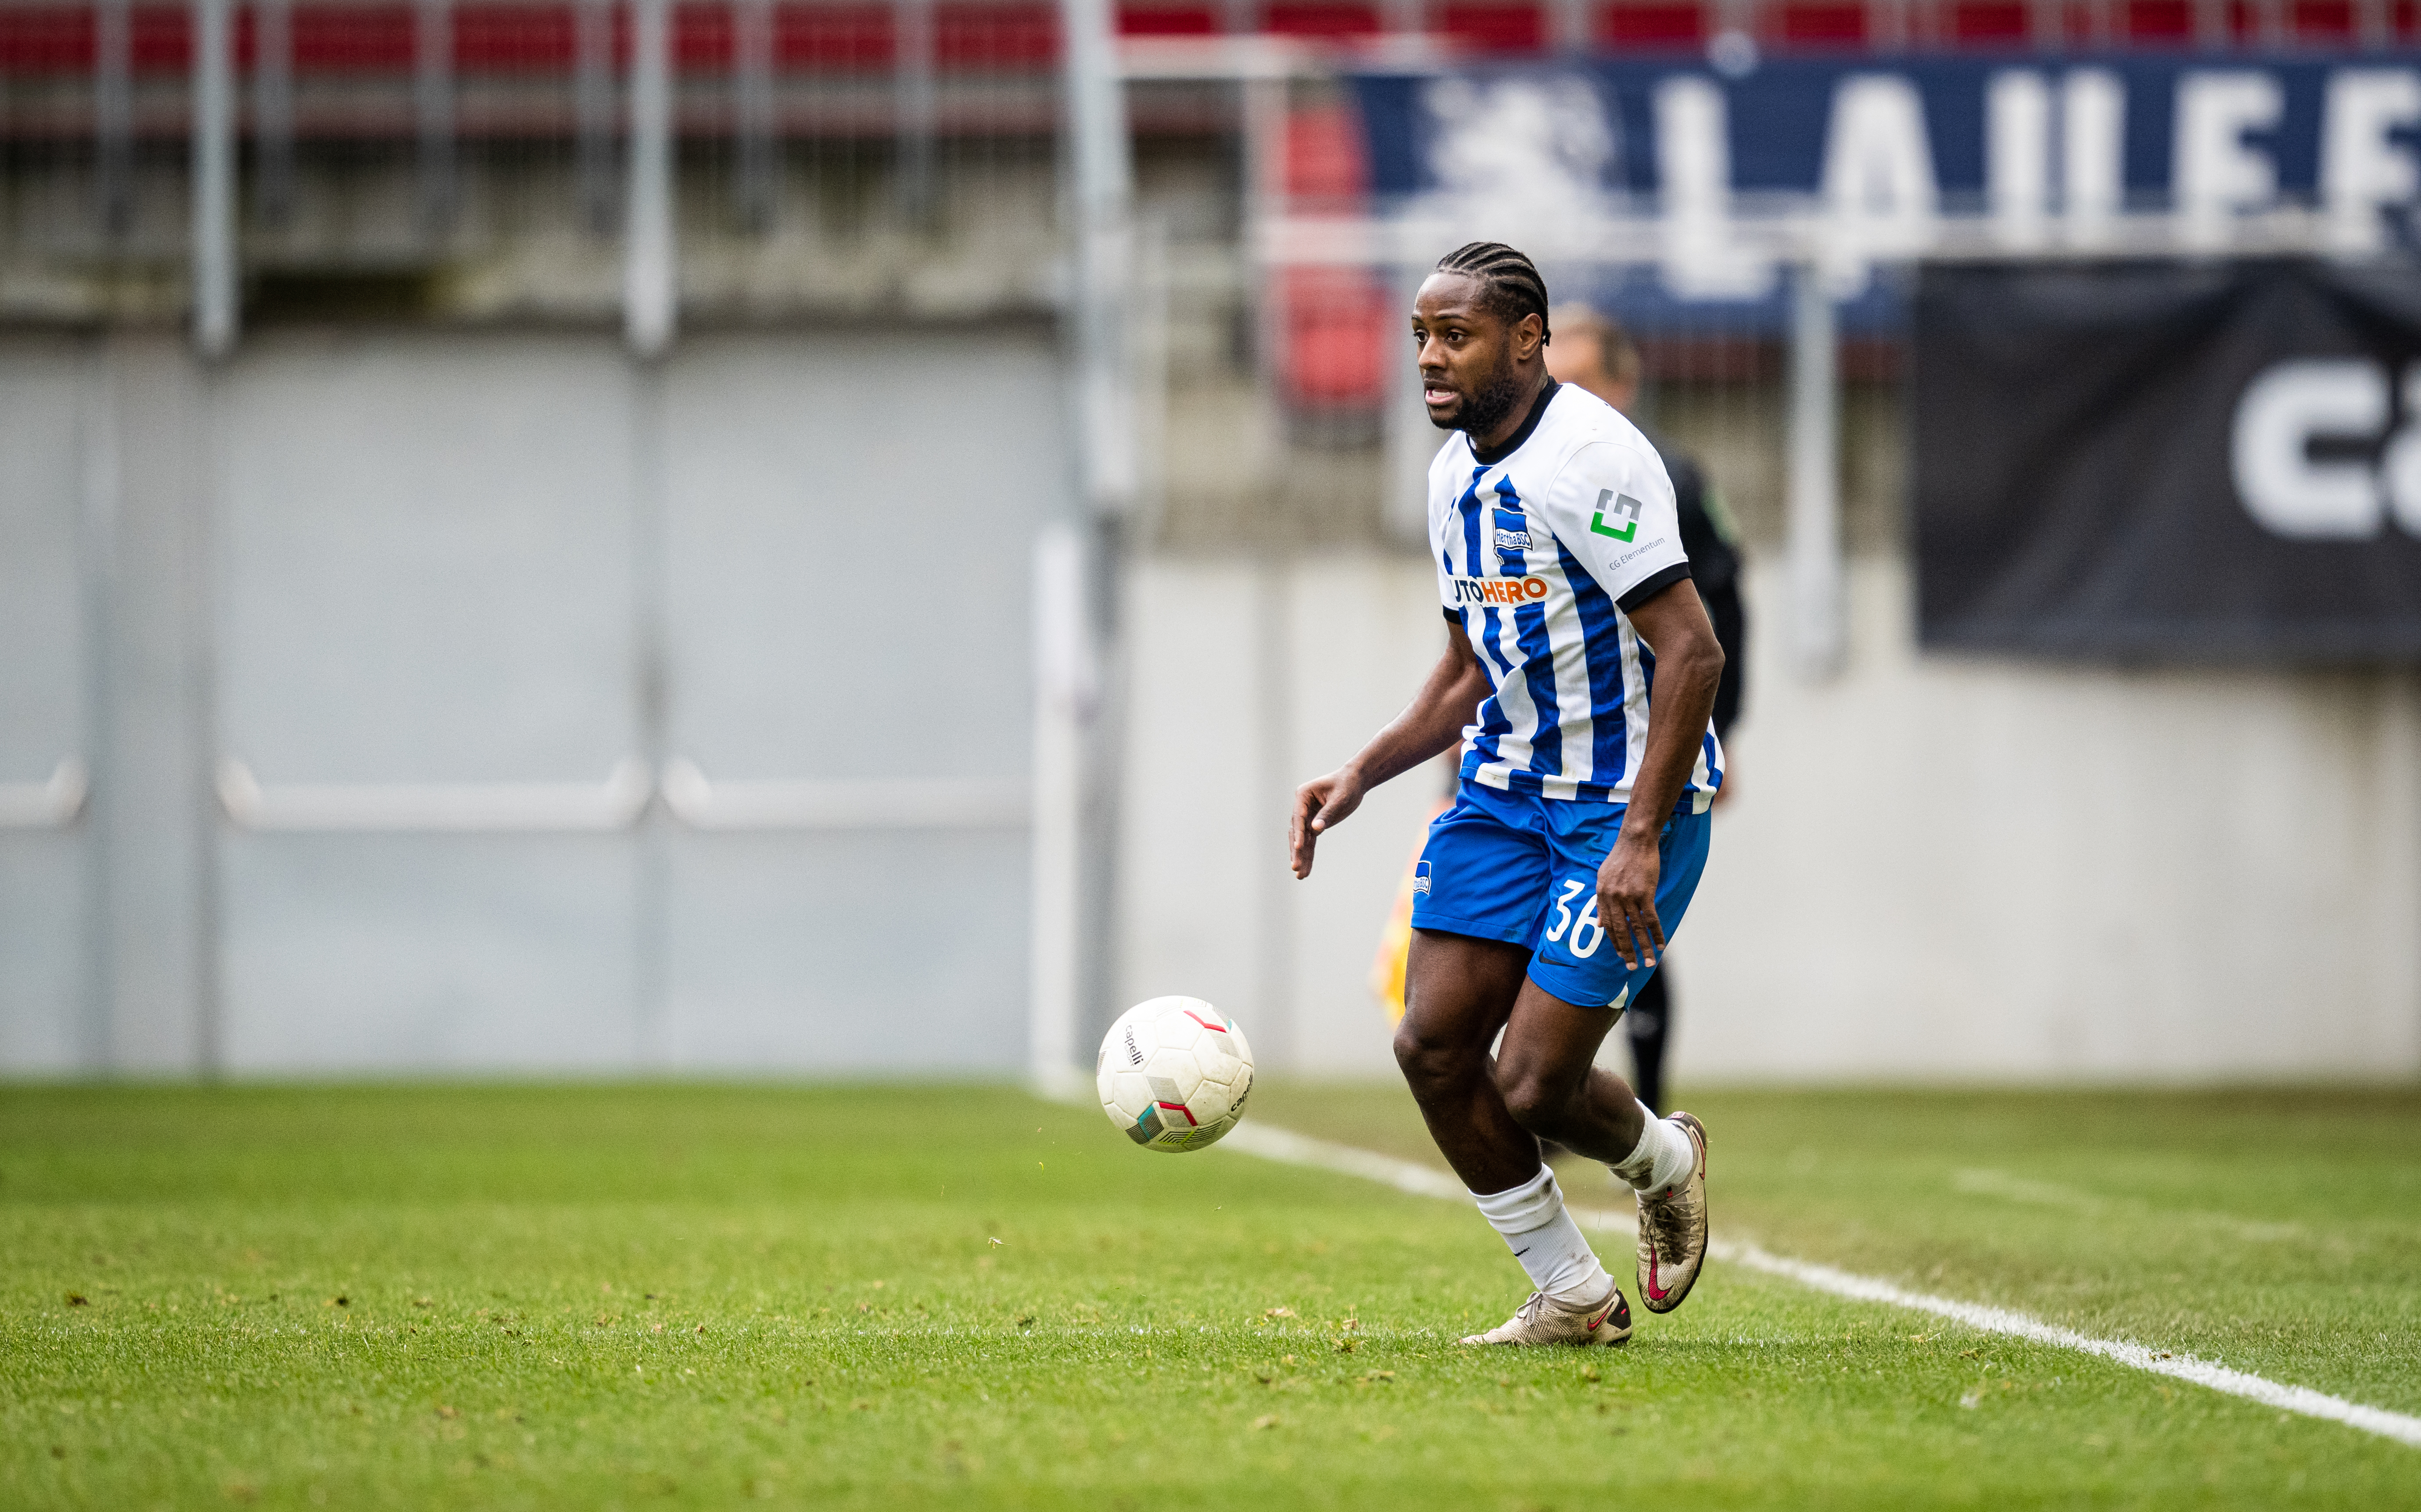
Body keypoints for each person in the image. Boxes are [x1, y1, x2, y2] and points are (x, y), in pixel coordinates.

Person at [1289, 243, 1725, 1349]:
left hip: (1621, 807)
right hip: (1504, 789)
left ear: (1525, 339)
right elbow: (1466, 667)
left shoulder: (1591, 457)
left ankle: (1664, 1160)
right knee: (1431, 1046)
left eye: (1456, 337)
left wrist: (1636, 836)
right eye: (1421, 338)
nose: (1430, 361)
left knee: (1533, 1082)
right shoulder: (1451, 473)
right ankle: (1573, 1296)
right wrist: (1360, 771)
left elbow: (1692, 652)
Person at [1545, 307, 1749, 1115]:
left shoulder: (1666, 476)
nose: (1558, 395)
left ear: (1623, 385)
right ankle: (1554, 1096)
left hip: (1636, 743)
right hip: (1537, 748)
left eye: (1581, 379)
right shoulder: (1510, 471)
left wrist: (1720, 735)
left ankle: (1640, 1104)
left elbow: (1720, 621)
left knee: (1622, 904)